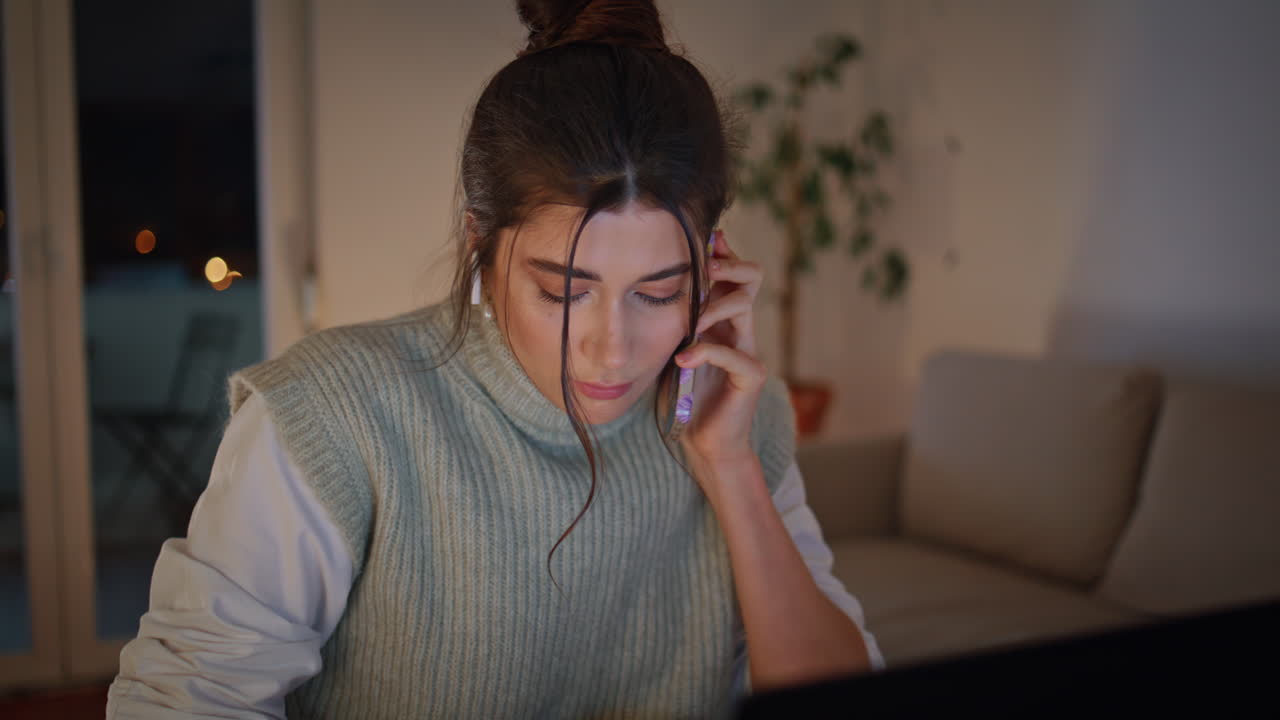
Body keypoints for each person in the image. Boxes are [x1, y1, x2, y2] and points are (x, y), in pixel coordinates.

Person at [106, 1, 884, 717]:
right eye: (564, 291)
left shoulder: (741, 414)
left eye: (659, 292)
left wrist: (731, 467)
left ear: (715, 268)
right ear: (481, 243)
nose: (613, 349)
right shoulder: (331, 418)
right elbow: (182, 702)